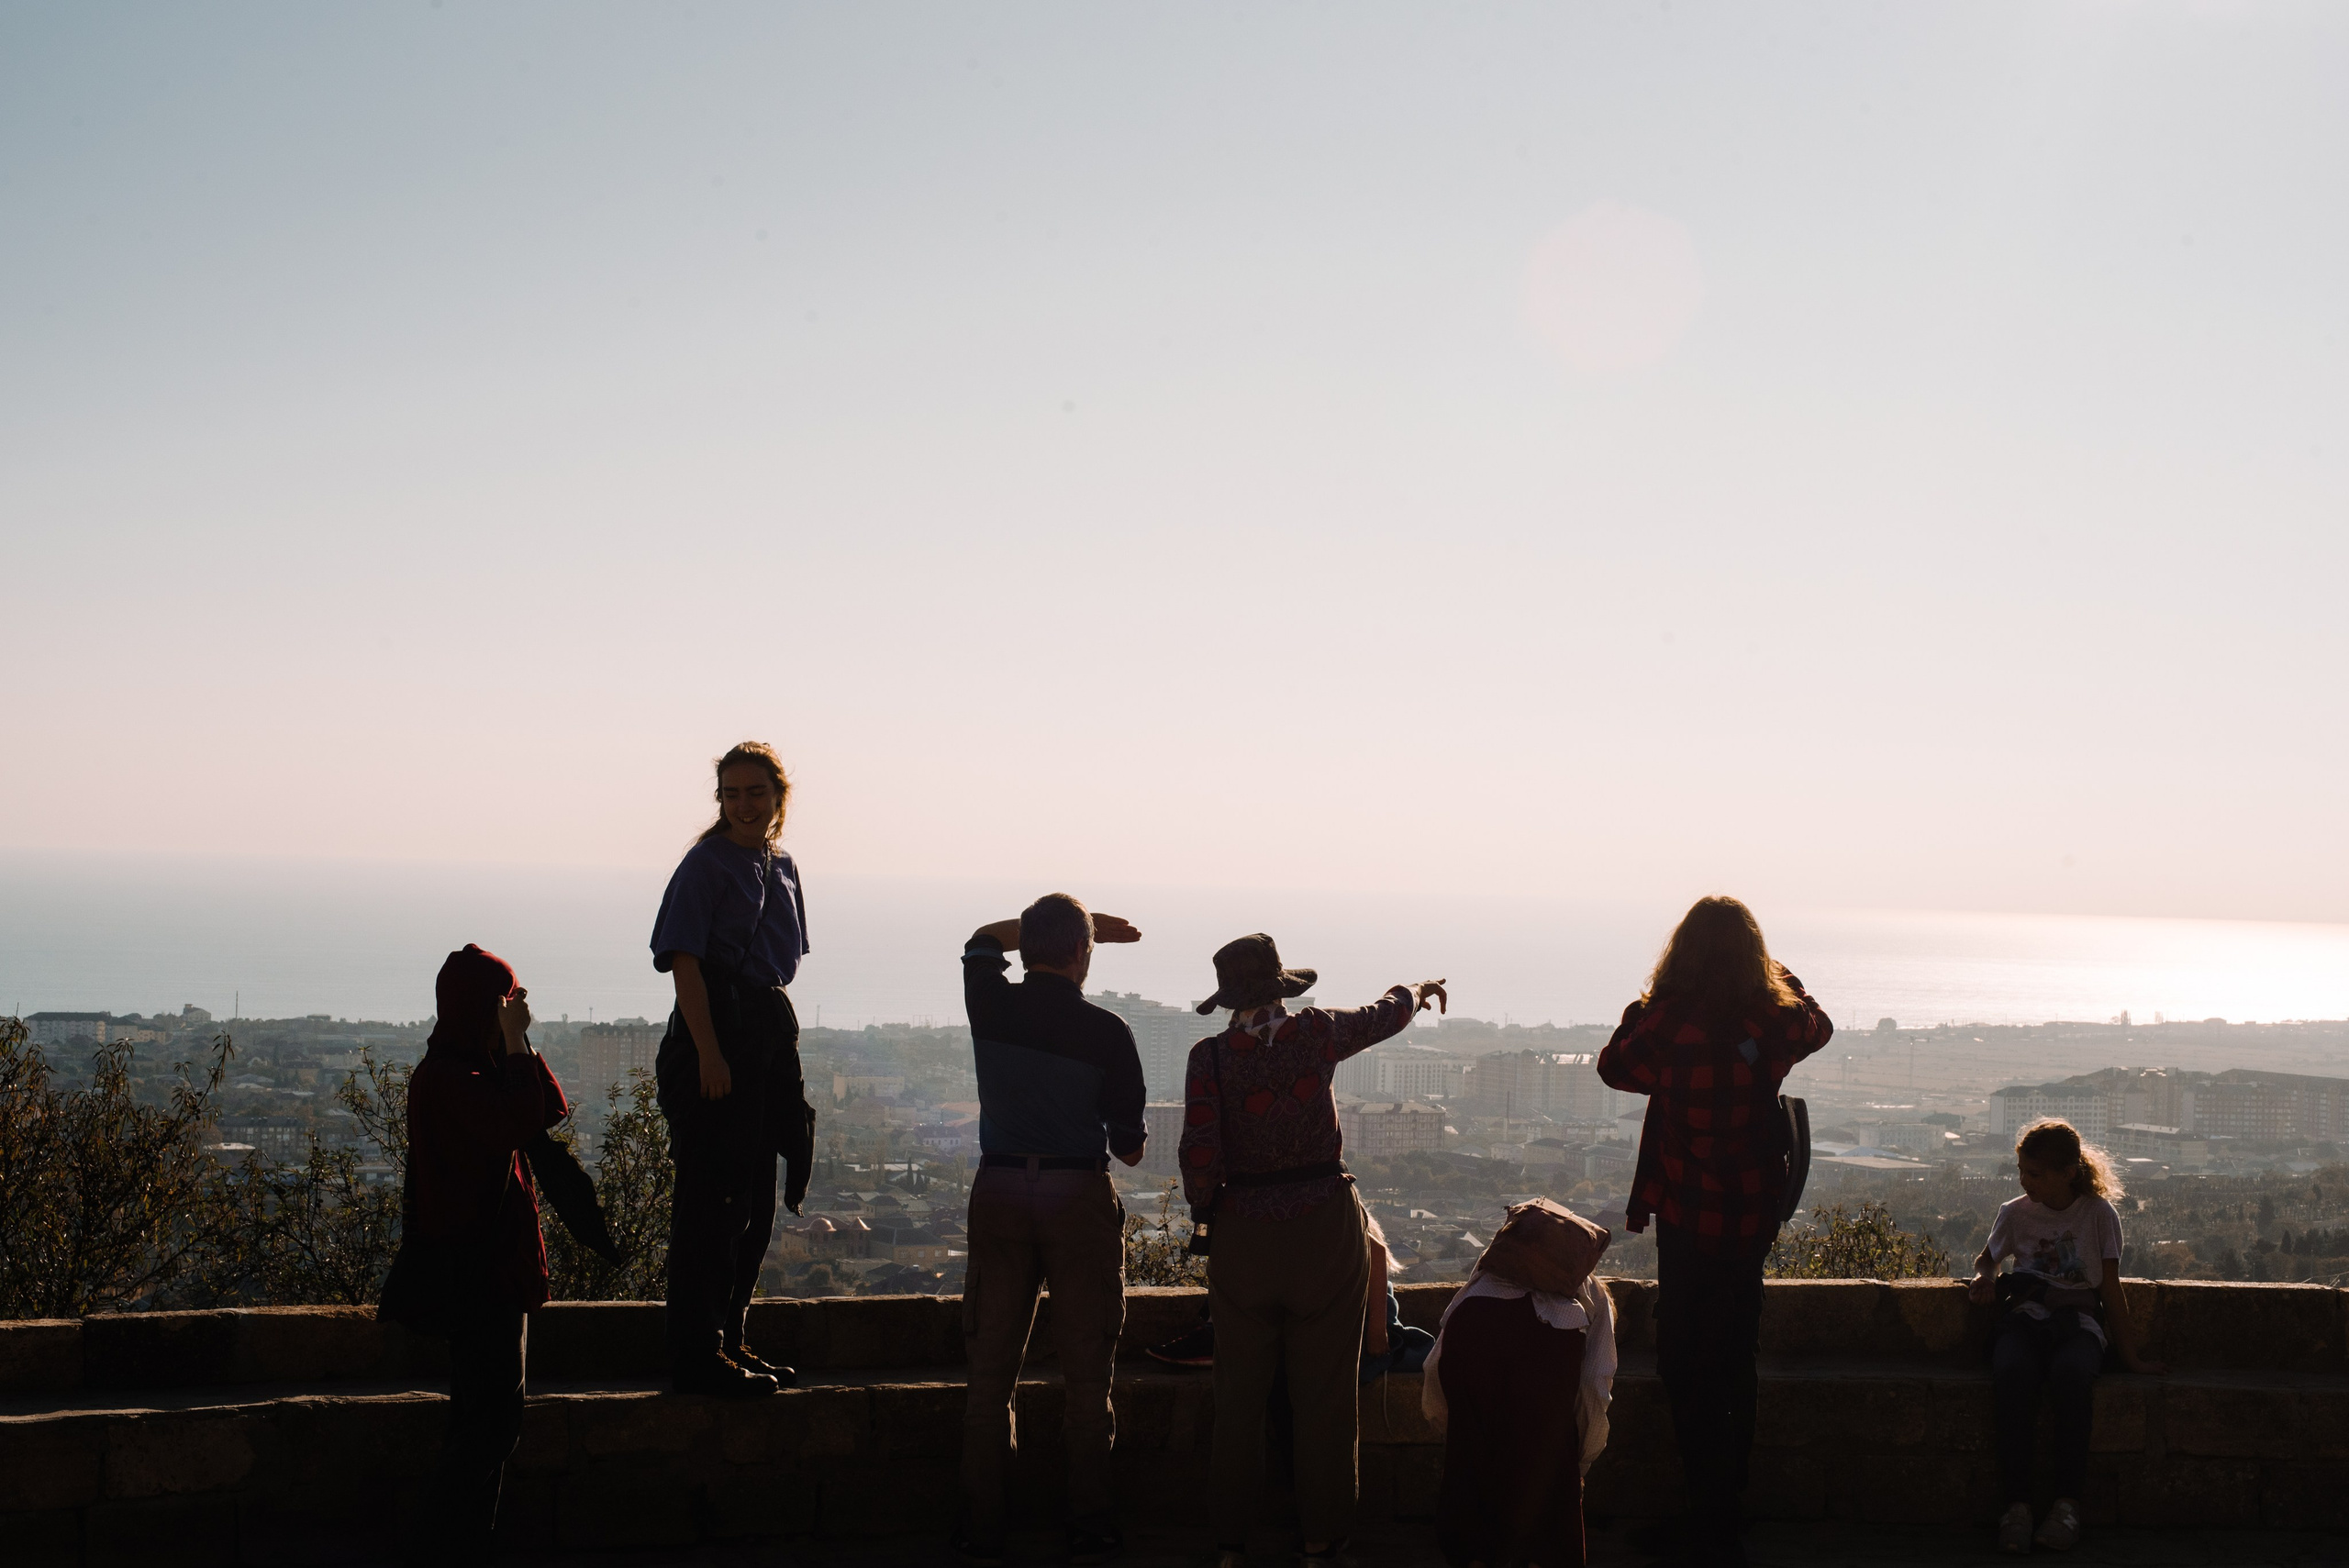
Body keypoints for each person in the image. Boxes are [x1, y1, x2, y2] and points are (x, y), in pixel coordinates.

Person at [1178, 932, 1447, 1568]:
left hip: (1243, 1229)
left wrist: (1208, 1211)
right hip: (1324, 1227)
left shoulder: (1209, 1058)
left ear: (1228, 999)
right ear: (1280, 988)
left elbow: (1199, 1154)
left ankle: (1230, 1541)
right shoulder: (1316, 1032)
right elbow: (1385, 1015)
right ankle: (1322, 1538)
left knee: (1239, 1394)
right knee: (1326, 1395)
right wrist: (1414, 987)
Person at [1595, 896, 1831, 1568]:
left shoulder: (1669, 1022)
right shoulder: (1774, 1017)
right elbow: (1819, 1024)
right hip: (1754, 1206)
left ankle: (1709, 1512)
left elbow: (1616, 1067)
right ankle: (1726, 1506)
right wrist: (1778, 975)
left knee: (1685, 1360)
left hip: (1689, 1210)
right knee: (1735, 1355)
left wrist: (1639, 1010)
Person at [954, 894, 1148, 1568]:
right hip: (1076, 1195)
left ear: (1027, 948)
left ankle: (983, 1523)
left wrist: (1063, 927)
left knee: (990, 1374)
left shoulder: (991, 1003)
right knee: (1088, 1374)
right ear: (1081, 954)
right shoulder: (1110, 1031)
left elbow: (981, 938)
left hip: (1000, 1186)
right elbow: (1129, 1150)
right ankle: (1089, 1520)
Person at [650, 740, 816, 1396]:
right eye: (732, 793)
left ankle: (728, 1336)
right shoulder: (705, 864)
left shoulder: (785, 865)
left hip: (766, 1034)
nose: (744, 804)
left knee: (753, 1199)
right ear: (720, 800)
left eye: (755, 792)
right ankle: (695, 1352)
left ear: (779, 797)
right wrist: (710, 1052)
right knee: (710, 1203)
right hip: (714, 1037)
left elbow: (782, 964)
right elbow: (685, 963)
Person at [404, 943, 569, 1564]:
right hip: (477, 1272)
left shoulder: (468, 1069)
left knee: (484, 1420)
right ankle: (434, 1543)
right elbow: (518, 1122)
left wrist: (514, 1044)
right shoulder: (449, 1078)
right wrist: (517, 1044)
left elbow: (548, 1108)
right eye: (504, 1004)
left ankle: (468, 1545)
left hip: (494, 1269)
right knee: (493, 1423)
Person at [1969, 1118, 2164, 1555]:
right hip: (2024, 1317)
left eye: (2035, 1174)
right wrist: (1983, 1279)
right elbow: (1987, 1260)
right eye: (2021, 1171)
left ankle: (2066, 1505)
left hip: (2077, 1321)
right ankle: (2016, 1506)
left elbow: (2109, 1289)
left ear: (2068, 1173)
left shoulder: (2098, 1215)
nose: (2025, 1181)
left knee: (2072, 1380)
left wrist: (2132, 1358)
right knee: (2013, 1376)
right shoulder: (2014, 1213)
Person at [1421, 1200, 1619, 1568]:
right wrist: (1580, 1463)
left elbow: (1435, 1370)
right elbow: (1594, 1387)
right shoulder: (1589, 1297)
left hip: (1471, 1472)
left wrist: (1460, 1436)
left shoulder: (1475, 1293)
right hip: (1546, 1475)